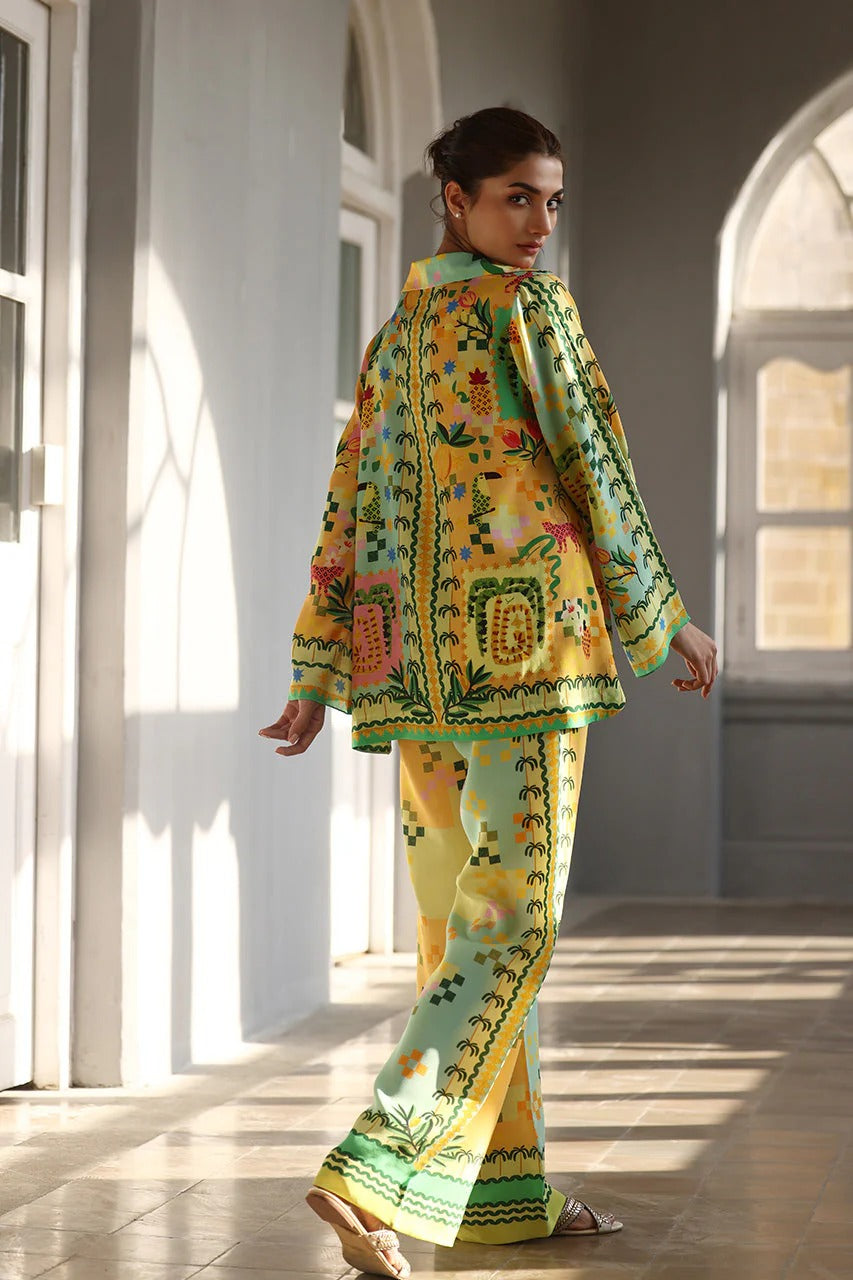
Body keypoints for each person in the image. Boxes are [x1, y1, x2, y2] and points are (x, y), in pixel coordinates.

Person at [260, 106, 717, 1280]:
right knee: (511, 925)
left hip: (409, 675)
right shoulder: (529, 311)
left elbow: (345, 507)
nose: (539, 222)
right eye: (518, 196)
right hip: (525, 663)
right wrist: (661, 614)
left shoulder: (394, 336)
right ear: (455, 200)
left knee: (454, 933)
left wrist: (318, 666)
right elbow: (593, 460)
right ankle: (378, 1160)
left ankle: (498, 1196)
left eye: (551, 199)